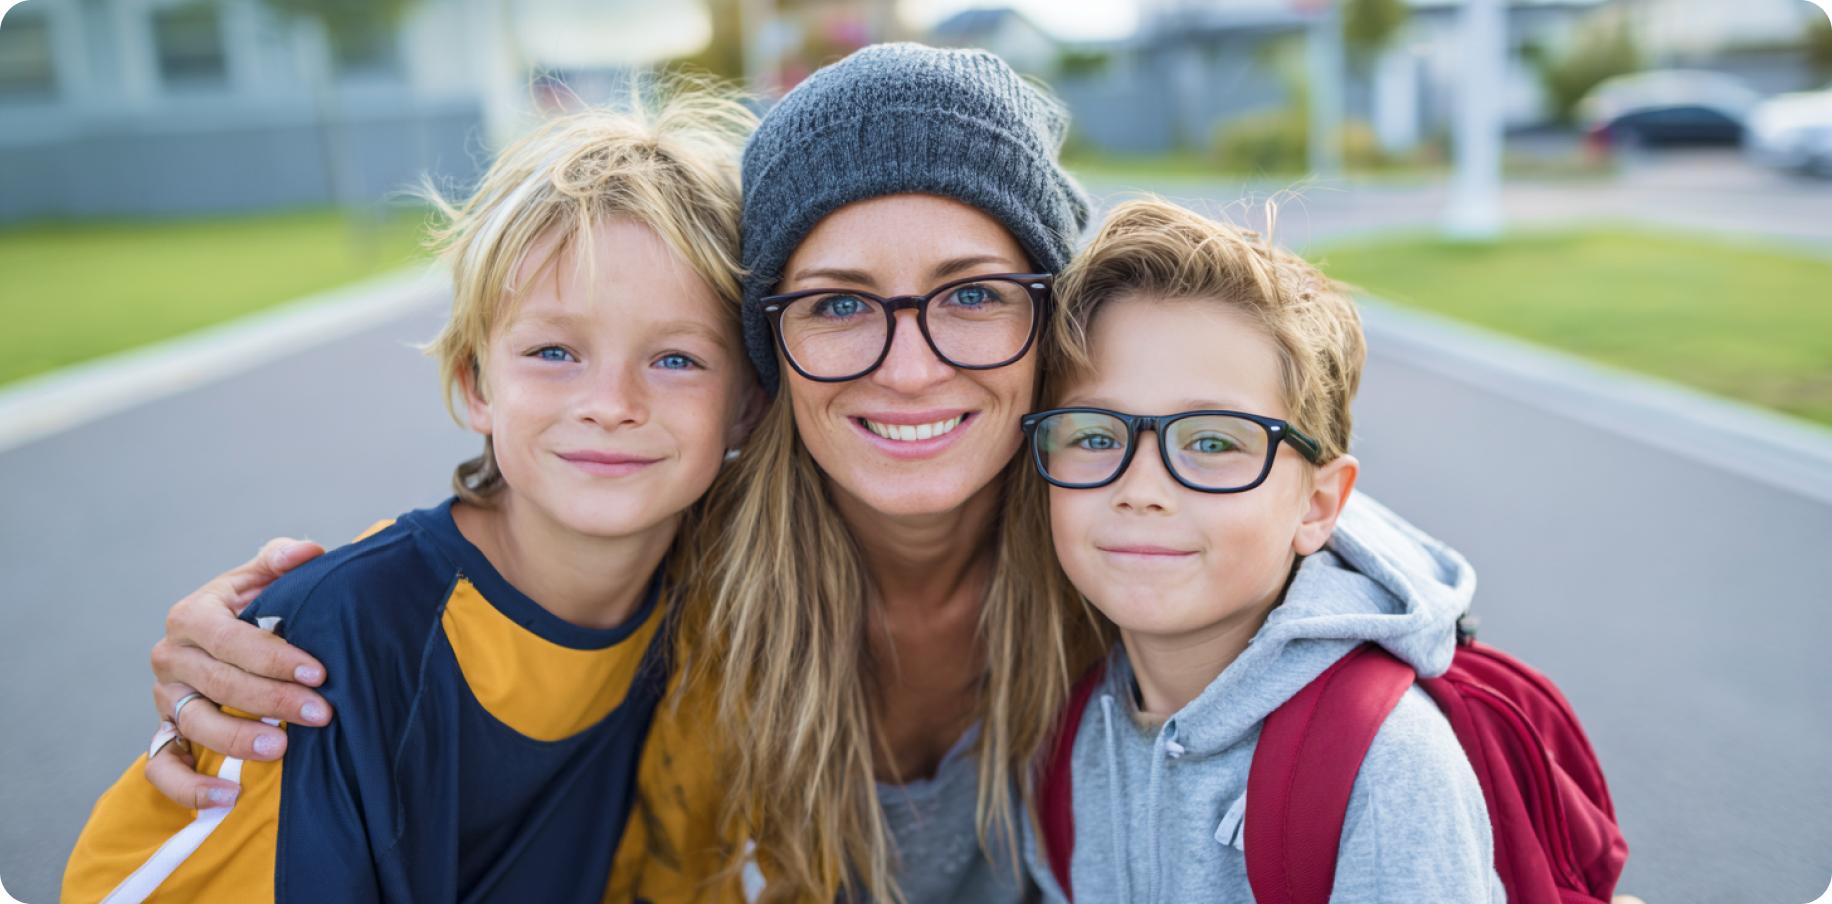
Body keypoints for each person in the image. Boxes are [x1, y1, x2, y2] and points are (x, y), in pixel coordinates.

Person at [134, 44, 1096, 903]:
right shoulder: (689, 584)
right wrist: (285, 618)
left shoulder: (1132, 540)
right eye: (839, 304)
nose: (912, 365)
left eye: (974, 293)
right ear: (773, 358)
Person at [63, 93, 762, 903]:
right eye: (554, 350)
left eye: (676, 359)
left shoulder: (725, 609)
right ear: (475, 384)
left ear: (747, 403)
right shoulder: (332, 647)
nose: (611, 401)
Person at [1017, 198, 1502, 902]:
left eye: (1213, 442)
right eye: (1095, 435)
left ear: (1318, 506)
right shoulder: (1064, 738)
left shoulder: (1387, 766)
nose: (1141, 488)